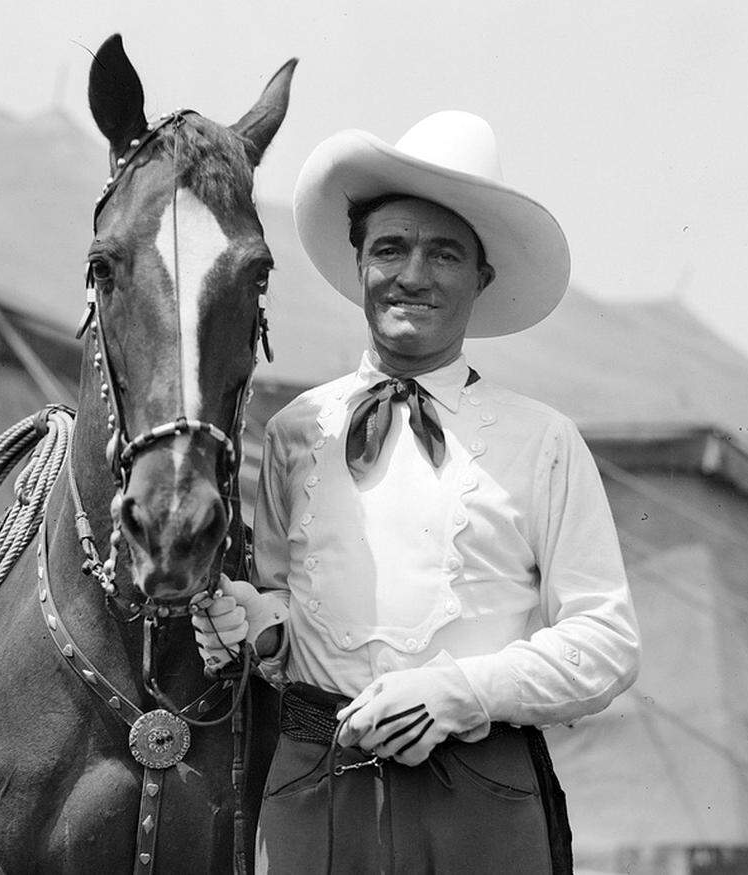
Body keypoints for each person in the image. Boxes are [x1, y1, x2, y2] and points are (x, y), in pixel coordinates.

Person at [191, 111, 640, 874]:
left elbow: (608, 642)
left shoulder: (543, 440)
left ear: (480, 278)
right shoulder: (299, 429)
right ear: (359, 260)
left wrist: (460, 690)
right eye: (390, 248)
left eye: (445, 253)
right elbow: (294, 623)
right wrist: (259, 628)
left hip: (477, 796)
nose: (413, 275)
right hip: (313, 791)